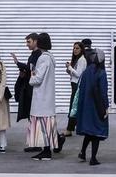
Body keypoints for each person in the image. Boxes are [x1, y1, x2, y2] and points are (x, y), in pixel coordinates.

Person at [74, 44, 110, 166]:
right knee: (96, 132)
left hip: (85, 107)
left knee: (89, 131)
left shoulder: (86, 72)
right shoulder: (101, 73)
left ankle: (82, 152)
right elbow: (103, 92)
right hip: (97, 106)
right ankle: (93, 158)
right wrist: (106, 107)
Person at [26, 32, 60, 160]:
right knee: (47, 125)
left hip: (41, 97)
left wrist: (32, 76)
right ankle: (47, 150)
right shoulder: (50, 57)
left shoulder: (43, 58)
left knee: (42, 126)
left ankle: (46, 151)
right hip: (47, 97)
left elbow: (38, 78)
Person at [10, 32, 39, 130]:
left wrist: (18, 63)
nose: (27, 44)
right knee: (30, 113)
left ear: (35, 41)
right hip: (29, 87)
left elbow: (33, 69)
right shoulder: (33, 55)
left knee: (34, 113)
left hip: (34, 88)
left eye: (29, 42)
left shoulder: (39, 55)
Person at [65, 41, 86, 136]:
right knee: (75, 107)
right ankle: (76, 126)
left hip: (77, 85)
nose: (75, 50)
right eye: (74, 48)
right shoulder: (78, 59)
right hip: (74, 85)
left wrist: (70, 67)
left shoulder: (82, 60)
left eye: (77, 48)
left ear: (81, 49)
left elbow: (78, 74)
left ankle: (69, 129)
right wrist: (69, 71)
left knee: (73, 107)